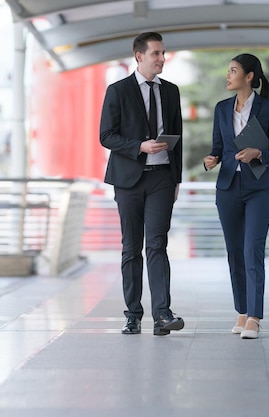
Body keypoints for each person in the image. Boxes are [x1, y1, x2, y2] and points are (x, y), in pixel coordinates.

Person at [99, 32, 184, 336]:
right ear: (139, 56)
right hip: (129, 179)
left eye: (163, 53)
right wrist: (139, 146)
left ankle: (162, 314)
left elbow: (178, 139)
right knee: (131, 248)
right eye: (156, 54)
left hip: (162, 177)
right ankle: (133, 314)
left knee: (158, 244)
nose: (162, 59)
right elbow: (106, 135)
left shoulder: (171, 92)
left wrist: (176, 179)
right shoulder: (118, 91)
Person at [203, 53, 269, 339]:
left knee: (253, 250)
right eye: (228, 71)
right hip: (227, 188)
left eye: (233, 71)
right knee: (235, 252)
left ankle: (254, 316)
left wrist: (259, 153)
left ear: (249, 76)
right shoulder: (221, 108)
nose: (228, 76)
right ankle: (241, 310)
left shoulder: (268, 109)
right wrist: (211, 159)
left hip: (258, 188)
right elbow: (217, 146)